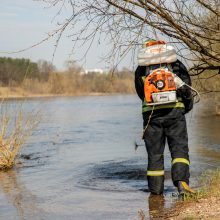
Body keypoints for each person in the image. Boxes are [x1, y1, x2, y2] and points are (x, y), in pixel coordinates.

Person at [135, 39, 195, 195]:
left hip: (152, 117)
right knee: (179, 151)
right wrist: (185, 108)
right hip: (175, 113)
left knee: (155, 155)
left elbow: (141, 93)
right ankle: (182, 185)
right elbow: (187, 88)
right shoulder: (177, 64)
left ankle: (155, 195)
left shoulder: (141, 70)